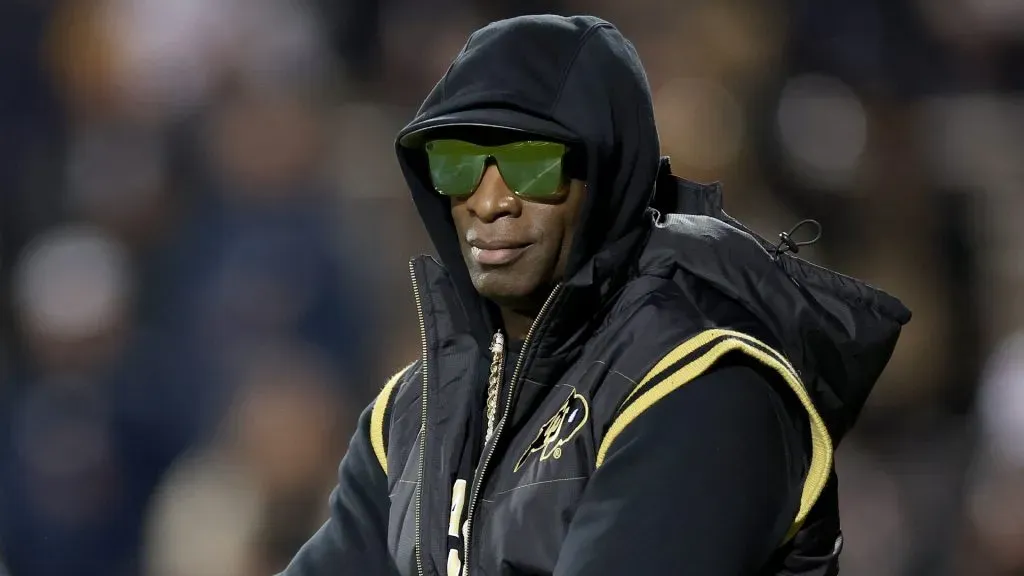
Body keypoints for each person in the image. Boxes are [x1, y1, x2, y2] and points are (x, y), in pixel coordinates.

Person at [282, 14, 911, 576]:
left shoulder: (702, 386)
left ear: (608, 174)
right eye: (457, 163)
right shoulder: (411, 413)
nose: (489, 200)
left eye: (532, 163)